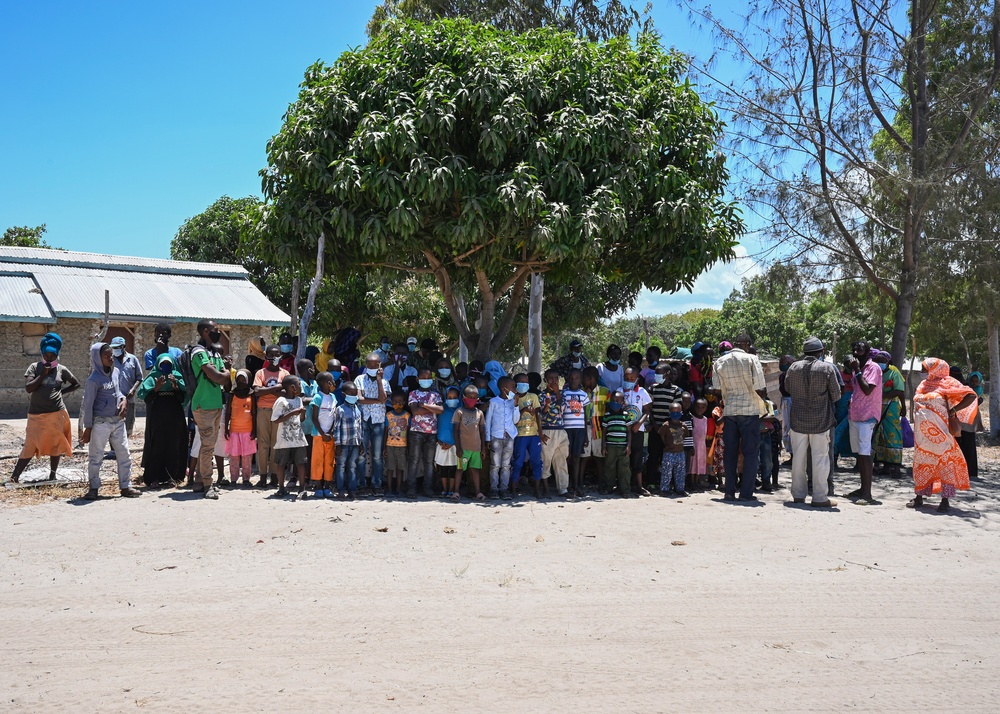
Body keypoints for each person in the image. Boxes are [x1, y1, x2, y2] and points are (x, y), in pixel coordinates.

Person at [909, 358, 978, 512]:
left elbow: (971, 395)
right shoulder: (923, 385)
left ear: (935, 369)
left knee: (944, 465)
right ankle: (919, 497)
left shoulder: (948, 383)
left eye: (924, 369)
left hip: (941, 435)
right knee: (921, 464)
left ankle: (945, 501)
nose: (922, 372)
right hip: (922, 437)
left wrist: (953, 410)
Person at [10, 332, 79, 484]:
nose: (49, 358)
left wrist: (61, 392)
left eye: (52, 355)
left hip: (57, 413)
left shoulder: (62, 370)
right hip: (36, 414)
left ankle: (52, 476)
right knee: (30, 444)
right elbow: (29, 388)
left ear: (57, 355)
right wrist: (43, 375)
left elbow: (76, 383)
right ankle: (14, 477)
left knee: (55, 444)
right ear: (42, 353)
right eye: (46, 355)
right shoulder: (34, 367)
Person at [783, 336, 841, 508]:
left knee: (798, 459)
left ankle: (798, 495)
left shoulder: (794, 367)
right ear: (821, 351)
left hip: (798, 420)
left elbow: (787, 388)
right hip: (821, 420)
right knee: (820, 459)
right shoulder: (827, 368)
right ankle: (819, 497)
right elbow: (836, 395)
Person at [81, 342, 140, 500]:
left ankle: (125, 486)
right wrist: (88, 428)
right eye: (106, 355)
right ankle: (93, 488)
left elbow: (119, 392)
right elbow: (87, 405)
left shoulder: (116, 372)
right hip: (100, 423)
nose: (110, 357)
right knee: (96, 456)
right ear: (97, 359)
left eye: (111, 354)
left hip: (118, 421)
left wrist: (124, 401)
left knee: (124, 454)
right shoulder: (93, 380)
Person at [711, 332, 766, 502]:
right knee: (750, 453)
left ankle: (729, 492)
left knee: (730, 452)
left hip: (730, 411)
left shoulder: (719, 361)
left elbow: (717, 388)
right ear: (747, 344)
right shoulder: (751, 359)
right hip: (749, 410)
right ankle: (746, 493)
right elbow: (760, 387)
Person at [189, 319, 232, 499]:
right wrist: (225, 373)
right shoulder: (198, 353)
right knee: (207, 446)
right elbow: (218, 376)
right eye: (215, 329)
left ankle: (199, 481)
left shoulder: (213, 353)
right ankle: (208, 484)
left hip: (215, 404)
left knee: (208, 445)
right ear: (206, 331)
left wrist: (224, 374)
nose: (218, 332)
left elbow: (225, 378)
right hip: (203, 405)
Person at [138, 353, 188, 488]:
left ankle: (173, 476)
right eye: (163, 364)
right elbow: (146, 397)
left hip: (175, 414)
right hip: (158, 413)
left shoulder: (177, 376)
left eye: (168, 364)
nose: (166, 366)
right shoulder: (153, 377)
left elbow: (183, 397)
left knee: (174, 443)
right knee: (157, 443)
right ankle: (153, 477)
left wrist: (176, 385)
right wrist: (156, 388)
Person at [845, 341, 882, 505]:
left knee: (865, 454)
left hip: (867, 416)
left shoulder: (873, 368)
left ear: (867, 352)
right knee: (860, 453)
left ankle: (867, 493)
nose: (855, 351)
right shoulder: (857, 369)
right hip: (856, 414)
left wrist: (857, 370)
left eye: (859, 349)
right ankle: (862, 488)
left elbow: (867, 389)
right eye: (854, 349)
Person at [353, 352, 390, 497]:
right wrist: (377, 400)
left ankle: (377, 484)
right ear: (366, 365)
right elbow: (360, 399)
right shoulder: (359, 379)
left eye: (376, 365)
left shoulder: (385, 382)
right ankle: (361, 484)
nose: (373, 367)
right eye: (370, 365)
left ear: (380, 365)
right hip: (363, 419)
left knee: (377, 455)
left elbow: (384, 398)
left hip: (378, 420)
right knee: (362, 454)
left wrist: (379, 380)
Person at [253, 345, 289, 488]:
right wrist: (276, 389)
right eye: (271, 355)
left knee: (276, 444)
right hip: (263, 410)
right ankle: (262, 476)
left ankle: (274, 475)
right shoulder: (260, 373)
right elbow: (256, 391)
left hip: (279, 411)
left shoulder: (285, 374)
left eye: (277, 355)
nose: (274, 358)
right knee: (263, 444)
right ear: (266, 356)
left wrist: (265, 390)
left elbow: (286, 393)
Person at [406, 368, 443, 497]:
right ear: (417, 379)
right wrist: (431, 408)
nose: (426, 380)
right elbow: (415, 411)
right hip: (416, 431)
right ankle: (411, 488)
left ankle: (428, 488)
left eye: (428, 378)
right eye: (423, 377)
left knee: (429, 462)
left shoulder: (436, 394)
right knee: (414, 460)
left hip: (432, 432)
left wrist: (423, 405)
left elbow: (440, 410)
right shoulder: (413, 393)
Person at [646, 363, 683, 491]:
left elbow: (677, 410)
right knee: (653, 455)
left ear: (666, 374)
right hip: (655, 428)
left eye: (658, 373)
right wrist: (654, 424)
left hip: (671, 430)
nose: (656, 376)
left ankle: (670, 483)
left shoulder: (676, 390)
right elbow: (648, 408)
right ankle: (651, 482)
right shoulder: (652, 388)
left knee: (670, 456)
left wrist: (666, 427)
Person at [270, 375, 308, 498]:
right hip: (284, 438)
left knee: (301, 463)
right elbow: (275, 420)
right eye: (299, 384)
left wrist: (302, 414)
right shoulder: (281, 401)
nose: (300, 387)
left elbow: (301, 420)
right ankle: (281, 487)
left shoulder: (298, 400)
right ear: (292, 387)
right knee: (281, 463)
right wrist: (292, 413)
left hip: (298, 438)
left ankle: (302, 488)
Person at [872, 351, 906, 478]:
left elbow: (899, 391)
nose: (880, 363)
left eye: (882, 361)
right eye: (878, 361)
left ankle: (896, 467)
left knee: (892, 434)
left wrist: (903, 407)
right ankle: (883, 465)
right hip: (876, 407)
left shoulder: (894, 372)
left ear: (888, 362)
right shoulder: (874, 371)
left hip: (891, 407)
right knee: (879, 434)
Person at [511, 374, 545, 498]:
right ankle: (513, 489)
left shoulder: (533, 396)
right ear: (515, 384)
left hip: (534, 434)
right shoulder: (512, 398)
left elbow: (538, 415)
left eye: (525, 382)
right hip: (519, 435)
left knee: (537, 462)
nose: (523, 384)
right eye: (520, 382)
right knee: (518, 462)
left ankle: (537, 489)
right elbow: (512, 418)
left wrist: (540, 433)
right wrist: (524, 409)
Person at [485, 376, 519, 500]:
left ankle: (504, 489)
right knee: (495, 465)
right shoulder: (494, 402)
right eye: (512, 387)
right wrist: (487, 438)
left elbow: (516, 420)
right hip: (496, 436)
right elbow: (488, 420)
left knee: (506, 464)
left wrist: (515, 406)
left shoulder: (513, 402)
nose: (515, 389)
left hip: (509, 436)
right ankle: (494, 489)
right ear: (504, 389)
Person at [223, 369, 256, 488]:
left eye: (243, 380)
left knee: (247, 457)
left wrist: (255, 430)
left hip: (247, 430)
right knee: (234, 456)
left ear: (248, 381)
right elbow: (228, 412)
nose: (241, 382)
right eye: (239, 380)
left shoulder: (251, 394)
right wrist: (226, 429)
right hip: (234, 430)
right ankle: (233, 479)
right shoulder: (232, 394)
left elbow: (254, 413)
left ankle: (246, 479)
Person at [622, 366, 652, 496]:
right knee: (624, 457)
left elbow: (647, 410)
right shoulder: (620, 391)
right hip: (623, 430)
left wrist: (639, 423)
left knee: (637, 457)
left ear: (637, 379)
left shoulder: (642, 392)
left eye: (632, 378)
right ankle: (624, 486)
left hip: (637, 430)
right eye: (626, 378)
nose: (629, 380)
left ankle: (639, 486)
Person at [539, 369, 569, 496]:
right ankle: (545, 488)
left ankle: (563, 488)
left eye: (556, 378)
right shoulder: (541, 396)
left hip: (560, 430)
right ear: (545, 380)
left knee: (561, 460)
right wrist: (546, 406)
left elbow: (563, 409)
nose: (554, 381)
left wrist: (557, 393)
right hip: (547, 431)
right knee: (546, 460)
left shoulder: (562, 394)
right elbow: (542, 416)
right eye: (551, 378)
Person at [453, 386, 487, 501]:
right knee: (460, 469)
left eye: (474, 397)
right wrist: (458, 447)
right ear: (464, 398)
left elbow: (482, 432)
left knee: (475, 470)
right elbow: (455, 431)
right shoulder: (459, 412)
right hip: (463, 448)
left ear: (478, 398)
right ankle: (456, 492)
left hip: (476, 448)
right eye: (469, 397)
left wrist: (483, 448)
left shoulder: (480, 413)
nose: (472, 399)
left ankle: (478, 492)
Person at [332, 381, 364, 498]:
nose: (354, 396)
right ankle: (340, 489)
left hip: (355, 443)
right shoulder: (340, 410)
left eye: (355, 394)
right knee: (341, 466)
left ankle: (352, 489)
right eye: (351, 394)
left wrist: (361, 443)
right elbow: (336, 428)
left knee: (352, 466)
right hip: (343, 443)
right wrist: (338, 444)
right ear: (344, 395)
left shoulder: (358, 409)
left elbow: (360, 427)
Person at [562, 369, 591, 498]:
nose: (574, 380)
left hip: (579, 429)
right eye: (572, 378)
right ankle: (567, 485)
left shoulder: (583, 395)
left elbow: (585, 416)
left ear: (580, 379)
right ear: (568, 379)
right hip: (567, 429)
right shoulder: (563, 394)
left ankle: (577, 485)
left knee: (577, 457)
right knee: (566, 457)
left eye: (577, 378)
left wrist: (585, 434)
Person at [310, 372, 338, 498]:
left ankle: (327, 486)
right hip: (318, 435)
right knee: (318, 461)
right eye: (332, 381)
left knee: (329, 461)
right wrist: (323, 433)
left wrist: (330, 432)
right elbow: (314, 418)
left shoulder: (333, 397)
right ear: (326, 383)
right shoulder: (317, 398)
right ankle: (318, 487)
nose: (334, 383)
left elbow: (334, 417)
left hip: (330, 436)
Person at [600, 391, 633, 497]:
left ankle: (625, 490)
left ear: (622, 402)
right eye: (613, 400)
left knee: (624, 469)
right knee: (609, 467)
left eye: (617, 401)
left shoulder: (626, 416)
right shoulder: (607, 415)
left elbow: (629, 431)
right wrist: (603, 446)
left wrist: (629, 446)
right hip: (610, 447)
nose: (615, 402)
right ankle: (609, 488)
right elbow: (604, 431)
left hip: (623, 446)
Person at [109, 336, 143, 438]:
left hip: (129, 398)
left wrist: (133, 390)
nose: (115, 350)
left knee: (128, 424)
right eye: (113, 348)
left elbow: (139, 378)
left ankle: (125, 446)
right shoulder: (110, 360)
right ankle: (113, 450)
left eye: (117, 347)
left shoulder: (133, 359)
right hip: (114, 399)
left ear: (124, 347)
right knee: (113, 425)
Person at [581, 367, 608, 492]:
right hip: (584, 427)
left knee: (599, 456)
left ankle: (601, 484)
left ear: (591, 379)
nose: (582, 381)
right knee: (584, 456)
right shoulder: (581, 392)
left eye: (584, 379)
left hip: (599, 427)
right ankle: (579, 483)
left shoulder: (605, 392)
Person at [296, 358, 319, 492]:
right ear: (308, 370)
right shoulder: (300, 383)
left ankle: (311, 478)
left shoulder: (315, 383)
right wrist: (316, 399)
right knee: (302, 454)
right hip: (303, 424)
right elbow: (302, 399)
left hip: (313, 425)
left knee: (311, 453)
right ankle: (301, 479)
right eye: (312, 368)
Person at [657, 401, 688, 497]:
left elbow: (685, 437)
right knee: (666, 472)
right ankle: (664, 489)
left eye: (678, 411)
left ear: (681, 412)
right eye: (673, 411)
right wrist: (667, 444)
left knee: (681, 472)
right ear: (669, 413)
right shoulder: (666, 425)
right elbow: (662, 436)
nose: (676, 413)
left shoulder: (684, 425)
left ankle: (680, 489)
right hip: (669, 453)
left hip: (680, 452)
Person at [436, 386, 462, 499]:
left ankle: (451, 490)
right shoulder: (441, 410)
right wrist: (439, 441)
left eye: (455, 397)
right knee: (442, 468)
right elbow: (436, 425)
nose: (452, 399)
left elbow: (462, 430)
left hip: (454, 445)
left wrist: (453, 443)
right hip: (441, 444)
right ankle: (444, 489)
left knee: (452, 468)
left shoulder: (461, 411)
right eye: (449, 397)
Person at [384, 393, 410, 497]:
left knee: (400, 468)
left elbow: (408, 433)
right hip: (390, 445)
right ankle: (390, 489)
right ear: (391, 402)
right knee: (390, 468)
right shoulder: (388, 415)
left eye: (400, 402)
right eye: (395, 402)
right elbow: (385, 431)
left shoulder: (407, 416)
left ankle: (399, 489)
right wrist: (384, 447)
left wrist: (409, 447)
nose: (397, 404)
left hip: (402, 446)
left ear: (404, 403)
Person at [689, 398, 710, 490]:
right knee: (693, 464)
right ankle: (692, 482)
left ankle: (697, 481)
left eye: (702, 407)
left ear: (706, 408)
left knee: (699, 463)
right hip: (694, 445)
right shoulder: (692, 418)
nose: (700, 409)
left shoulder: (705, 419)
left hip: (701, 446)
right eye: (698, 407)